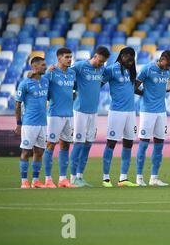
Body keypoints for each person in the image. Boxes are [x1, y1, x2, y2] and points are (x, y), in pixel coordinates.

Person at [70, 46, 110, 187]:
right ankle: (72, 177)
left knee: (88, 144)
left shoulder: (102, 69)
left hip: (93, 111)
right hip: (80, 110)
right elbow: (65, 73)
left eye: (104, 62)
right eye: (100, 61)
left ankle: (80, 176)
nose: (101, 64)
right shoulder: (80, 66)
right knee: (78, 143)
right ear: (95, 56)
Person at [135, 50, 170, 186]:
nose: (169, 67)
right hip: (147, 111)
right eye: (168, 64)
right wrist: (145, 95)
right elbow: (135, 86)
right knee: (144, 143)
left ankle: (154, 178)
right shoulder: (147, 68)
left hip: (162, 111)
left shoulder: (168, 71)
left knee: (159, 145)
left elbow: (167, 87)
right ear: (162, 59)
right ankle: (139, 178)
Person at [101, 47, 139, 187]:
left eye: (133, 56)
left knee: (128, 143)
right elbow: (98, 83)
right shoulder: (111, 69)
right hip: (116, 112)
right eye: (128, 56)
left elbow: (133, 89)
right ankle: (106, 178)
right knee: (111, 143)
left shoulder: (131, 71)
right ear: (121, 56)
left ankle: (123, 178)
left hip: (130, 112)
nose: (130, 59)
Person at [42, 48, 77, 188]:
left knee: (65, 145)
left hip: (69, 114)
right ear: (59, 58)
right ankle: (48, 179)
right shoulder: (50, 73)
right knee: (50, 145)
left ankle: (63, 179)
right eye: (67, 57)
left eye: (71, 57)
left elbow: (72, 91)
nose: (70, 59)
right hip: (54, 115)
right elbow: (42, 88)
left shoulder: (72, 73)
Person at [14, 54, 49, 188]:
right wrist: (18, 123)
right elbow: (17, 105)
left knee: (39, 152)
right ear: (35, 66)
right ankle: (24, 181)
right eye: (43, 65)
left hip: (43, 123)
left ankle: (35, 181)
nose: (45, 67)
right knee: (26, 151)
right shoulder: (25, 83)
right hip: (29, 124)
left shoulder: (45, 81)